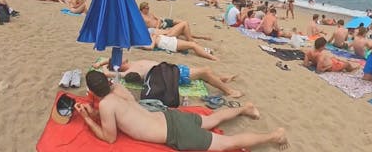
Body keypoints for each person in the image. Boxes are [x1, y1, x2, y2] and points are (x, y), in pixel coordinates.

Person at [75, 70, 288, 150]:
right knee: (211, 120)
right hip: (168, 117)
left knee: (227, 144)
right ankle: (244, 108)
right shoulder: (118, 90)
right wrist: (93, 112)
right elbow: (119, 113)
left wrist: (88, 119)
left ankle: (274, 136)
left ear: (93, 91)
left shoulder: (105, 104)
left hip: (174, 133)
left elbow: (109, 138)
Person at [94, 58, 242, 98]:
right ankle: (229, 91)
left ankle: (221, 79)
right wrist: (106, 69)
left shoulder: (129, 63)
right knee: (205, 71)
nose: (123, 59)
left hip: (172, 68)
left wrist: (102, 62)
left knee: (204, 72)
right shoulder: (128, 72)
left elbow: (114, 59)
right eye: (119, 60)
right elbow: (108, 74)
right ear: (118, 66)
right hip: (172, 75)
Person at [139, 2, 210, 41]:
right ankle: (199, 37)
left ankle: (193, 37)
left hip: (164, 22)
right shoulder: (141, 18)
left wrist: (158, 24)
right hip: (162, 27)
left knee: (183, 22)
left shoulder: (150, 13)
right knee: (182, 29)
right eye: (147, 8)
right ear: (142, 9)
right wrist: (158, 28)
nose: (148, 9)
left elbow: (159, 19)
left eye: (148, 8)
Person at [142, 30, 217, 61]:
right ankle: (213, 58)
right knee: (193, 45)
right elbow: (151, 47)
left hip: (171, 41)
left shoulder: (153, 35)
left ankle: (205, 51)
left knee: (190, 45)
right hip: (171, 44)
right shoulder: (152, 38)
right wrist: (142, 46)